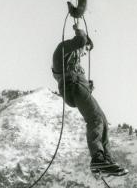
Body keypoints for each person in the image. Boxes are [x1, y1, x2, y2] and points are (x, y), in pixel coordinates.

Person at [52, 24, 127, 176]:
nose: (84, 54)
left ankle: (106, 159)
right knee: (95, 118)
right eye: (85, 50)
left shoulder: (73, 62)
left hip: (77, 88)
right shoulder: (63, 50)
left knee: (102, 120)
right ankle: (98, 159)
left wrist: (87, 86)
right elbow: (80, 41)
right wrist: (80, 31)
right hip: (73, 87)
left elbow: (80, 45)